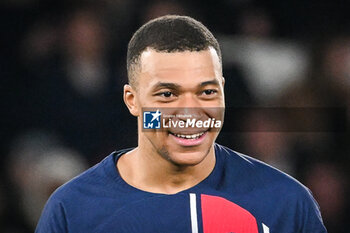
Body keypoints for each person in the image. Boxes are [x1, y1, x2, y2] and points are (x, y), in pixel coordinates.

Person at [36, 15, 327, 233]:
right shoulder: (72, 210)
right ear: (132, 100)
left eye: (207, 92)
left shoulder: (287, 203)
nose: (190, 111)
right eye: (167, 94)